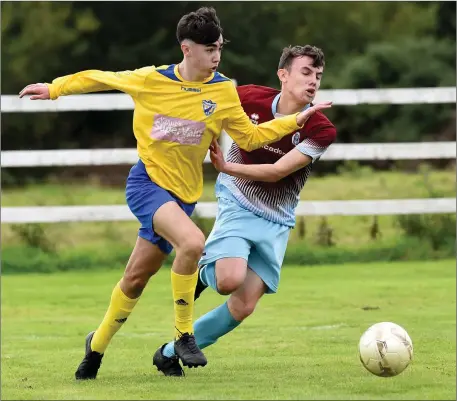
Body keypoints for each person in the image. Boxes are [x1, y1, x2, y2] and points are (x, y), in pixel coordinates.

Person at [19, 6, 332, 380]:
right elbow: (98, 78)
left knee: (135, 278)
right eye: (209, 49)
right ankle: (184, 335)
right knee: (193, 243)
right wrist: (55, 88)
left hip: (183, 198)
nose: (216, 56)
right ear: (187, 49)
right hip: (147, 184)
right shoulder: (151, 80)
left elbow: (250, 137)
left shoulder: (223, 90)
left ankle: (96, 346)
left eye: (219, 48)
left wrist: (292, 121)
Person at [153, 44, 337, 377]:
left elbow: (279, 171)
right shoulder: (248, 97)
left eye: (318, 76)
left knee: (244, 305)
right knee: (229, 281)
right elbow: (204, 106)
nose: (313, 82)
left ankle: (169, 352)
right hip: (237, 201)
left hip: (277, 219)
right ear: (283, 75)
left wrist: (226, 167)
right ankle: (201, 266)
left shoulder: (320, 129)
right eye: (306, 72)